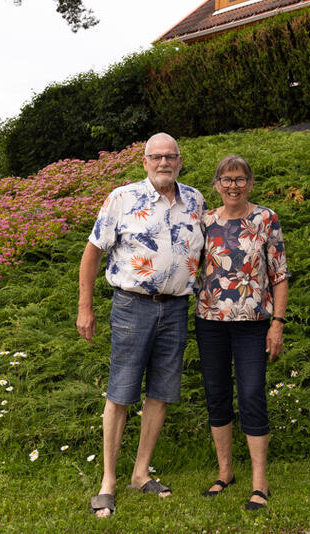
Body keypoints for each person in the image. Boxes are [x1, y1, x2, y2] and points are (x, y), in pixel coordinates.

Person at [77, 132, 205, 518]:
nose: (164, 163)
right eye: (156, 157)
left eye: (171, 156)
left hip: (177, 308)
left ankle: (140, 473)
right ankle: (108, 483)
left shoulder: (196, 200)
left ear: (180, 160)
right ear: (144, 161)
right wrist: (85, 306)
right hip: (133, 307)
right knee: (120, 392)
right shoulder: (122, 198)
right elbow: (91, 255)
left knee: (162, 391)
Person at [194, 154, 290, 511]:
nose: (233, 185)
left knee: (252, 395)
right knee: (217, 395)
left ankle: (259, 482)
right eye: (226, 179)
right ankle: (225, 472)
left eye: (240, 179)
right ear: (216, 185)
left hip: (253, 326)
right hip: (210, 323)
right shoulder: (204, 222)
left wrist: (277, 324)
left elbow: (279, 275)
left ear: (250, 183)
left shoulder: (266, 219)